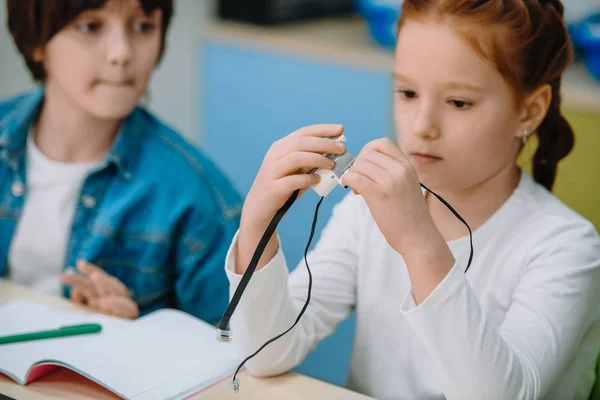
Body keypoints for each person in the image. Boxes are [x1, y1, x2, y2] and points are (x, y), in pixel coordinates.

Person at [224, 0, 600, 398]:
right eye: (407, 92)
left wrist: (419, 243)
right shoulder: (364, 212)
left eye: (459, 103)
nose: (422, 126)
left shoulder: (567, 249)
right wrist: (256, 225)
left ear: (529, 111)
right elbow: (266, 353)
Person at [0, 0, 241, 322]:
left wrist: (136, 334)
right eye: (90, 26)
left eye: (143, 27)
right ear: (36, 41)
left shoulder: (199, 197)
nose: (122, 54)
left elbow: (238, 352)